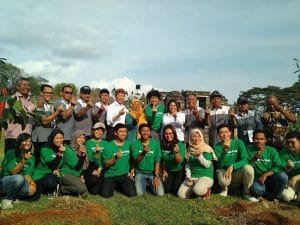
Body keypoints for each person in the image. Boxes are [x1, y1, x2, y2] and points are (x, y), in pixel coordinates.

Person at [214, 124, 258, 202]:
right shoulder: (217, 147)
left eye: (227, 132)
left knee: (249, 168)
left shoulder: (238, 142)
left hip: (237, 171)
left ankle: (246, 192)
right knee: (223, 179)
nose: (224, 135)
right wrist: (225, 151)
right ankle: (224, 189)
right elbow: (220, 165)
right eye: (221, 133)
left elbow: (245, 159)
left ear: (230, 133)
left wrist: (233, 166)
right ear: (218, 135)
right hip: (224, 171)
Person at [247, 129, 288, 201]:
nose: (259, 141)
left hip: (270, 176)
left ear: (266, 140)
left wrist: (265, 175)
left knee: (283, 176)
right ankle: (267, 194)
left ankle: (276, 197)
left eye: (262, 139)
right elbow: (245, 167)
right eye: (256, 139)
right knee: (256, 189)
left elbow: (279, 166)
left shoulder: (272, 150)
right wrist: (254, 159)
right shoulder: (248, 149)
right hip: (257, 178)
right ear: (253, 139)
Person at [177, 128, 215, 200]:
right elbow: (187, 166)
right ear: (191, 138)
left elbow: (207, 165)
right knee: (181, 195)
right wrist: (188, 177)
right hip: (193, 177)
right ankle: (195, 191)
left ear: (202, 137)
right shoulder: (189, 149)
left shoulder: (206, 148)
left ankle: (206, 191)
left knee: (197, 190)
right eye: (194, 136)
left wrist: (199, 156)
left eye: (199, 136)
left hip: (206, 176)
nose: (197, 138)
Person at [1, 133, 36, 209]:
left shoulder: (32, 157)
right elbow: (12, 172)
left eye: (30, 141)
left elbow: (28, 174)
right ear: (19, 142)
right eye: (25, 141)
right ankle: (7, 199)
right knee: (19, 178)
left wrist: (31, 183)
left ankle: (10, 195)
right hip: (5, 180)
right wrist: (23, 160)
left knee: (30, 190)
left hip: (20, 181)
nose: (28, 143)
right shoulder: (11, 152)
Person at [31, 129, 69, 200]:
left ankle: (51, 190)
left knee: (50, 182)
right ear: (52, 138)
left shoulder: (65, 147)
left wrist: (59, 170)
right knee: (35, 196)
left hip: (54, 173)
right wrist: (60, 154)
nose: (59, 140)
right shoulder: (45, 148)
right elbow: (52, 165)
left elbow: (68, 162)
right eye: (57, 138)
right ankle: (44, 190)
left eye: (61, 138)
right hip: (42, 172)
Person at [101, 123, 136, 198]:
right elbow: (106, 164)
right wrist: (115, 157)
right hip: (111, 175)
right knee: (106, 195)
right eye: (121, 131)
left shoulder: (129, 144)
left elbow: (133, 159)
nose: (123, 134)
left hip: (124, 174)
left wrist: (132, 171)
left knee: (132, 194)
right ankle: (115, 185)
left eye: (125, 132)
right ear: (115, 133)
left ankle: (120, 185)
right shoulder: (108, 146)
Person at [32, 84, 64, 166]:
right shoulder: (38, 104)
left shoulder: (48, 105)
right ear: (41, 93)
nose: (49, 94)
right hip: (40, 139)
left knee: (46, 161)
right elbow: (44, 121)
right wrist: (58, 112)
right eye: (46, 92)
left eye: (51, 93)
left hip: (47, 138)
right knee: (39, 162)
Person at [131, 123, 164, 196]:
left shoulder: (155, 143)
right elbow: (136, 160)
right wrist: (143, 153)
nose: (145, 132)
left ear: (150, 132)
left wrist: (156, 176)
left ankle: (148, 183)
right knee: (139, 194)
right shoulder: (135, 144)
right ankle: (143, 182)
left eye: (147, 131)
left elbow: (157, 160)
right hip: (139, 172)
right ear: (139, 132)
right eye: (143, 130)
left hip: (152, 173)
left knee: (160, 194)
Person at [4, 77, 35, 153]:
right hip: (14, 137)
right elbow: (17, 115)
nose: (26, 87)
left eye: (28, 85)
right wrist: (31, 109)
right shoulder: (12, 99)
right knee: (11, 162)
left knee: (24, 162)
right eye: (24, 85)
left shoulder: (29, 100)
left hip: (26, 139)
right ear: (17, 87)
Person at [59, 130, 89, 198]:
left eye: (83, 138)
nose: (81, 140)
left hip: (76, 175)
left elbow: (84, 165)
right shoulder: (68, 149)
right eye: (79, 137)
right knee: (82, 189)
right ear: (74, 138)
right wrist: (83, 155)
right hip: (66, 174)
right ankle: (62, 189)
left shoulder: (83, 148)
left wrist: (82, 176)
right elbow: (77, 167)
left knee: (85, 194)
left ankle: (66, 191)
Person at [160, 125, 186, 195]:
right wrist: (163, 170)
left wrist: (176, 152)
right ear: (163, 134)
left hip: (179, 170)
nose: (168, 136)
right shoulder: (161, 144)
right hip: (169, 170)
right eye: (166, 134)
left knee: (175, 191)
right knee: (166, 190)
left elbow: (180, 161)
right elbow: (161, 160)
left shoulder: (179, 144)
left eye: (171, 133)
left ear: (174, 134)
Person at [84, 122, 108, 195]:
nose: (99, 132)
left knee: (100, 191)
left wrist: (100, 169)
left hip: (103, 166)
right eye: (97, 130)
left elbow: (106, 158)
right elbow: (90, 159)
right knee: (94, 190)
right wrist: (97, 153)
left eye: (101, 131)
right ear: (93, 131)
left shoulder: (106, 143)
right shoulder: (88, 143)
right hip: (92, 166)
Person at [280, 131, 300, 203]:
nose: (290, 145)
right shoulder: (283, 153)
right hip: (290, 182)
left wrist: (296, 177)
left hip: (296, 179)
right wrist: (287, 168)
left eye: (292, 142)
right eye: (288, 143)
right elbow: (280, 173)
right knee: (285, 196)